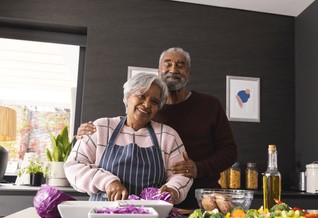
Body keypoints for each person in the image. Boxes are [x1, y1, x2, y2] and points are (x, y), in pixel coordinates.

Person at [76, 47, 237, 208]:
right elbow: (125, 128)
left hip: (201, 198)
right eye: (167, 64)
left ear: (189, 74)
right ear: (159, 71)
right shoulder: (133, 115)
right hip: (143, 207)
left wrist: (197, 169)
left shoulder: (208, 106)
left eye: (180, 65)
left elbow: (229, 151)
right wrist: (86, 135)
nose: (173, 69)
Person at [64, 72, 192, 204]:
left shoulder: (168, 135)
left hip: (152, 217)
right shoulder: (100, 128)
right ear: (127, 96)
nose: (147, 105)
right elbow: (73, 167)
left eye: (154, 102)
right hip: (102, 215)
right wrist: (108, 182)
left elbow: (182, 175)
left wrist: (173, 190)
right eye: (141, 96)